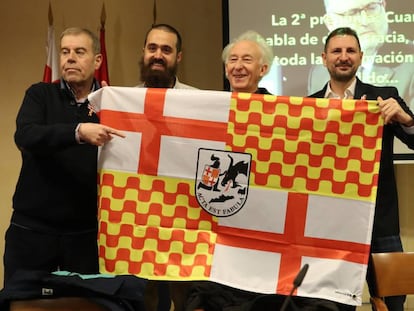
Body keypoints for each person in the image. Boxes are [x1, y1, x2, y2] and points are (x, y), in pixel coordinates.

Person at [3, 27, 125, 286]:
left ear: (98, 60)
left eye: (79, 52)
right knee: (21, 301)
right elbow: (26, 136)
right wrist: (78, 132)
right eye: (65, 51)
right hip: (32, 230)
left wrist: (116, 110)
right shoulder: (40, 94)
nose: (69, 58)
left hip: (84, 234)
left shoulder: (111, 105)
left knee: (84, 304)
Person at [309, 27, 414, 311]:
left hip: (381, 221)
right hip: (331, 228)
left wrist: (405, 118)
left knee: (393, 301)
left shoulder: (385, 98)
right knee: (333, 303)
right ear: (324, 58)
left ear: (361, 57)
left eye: (350, 51)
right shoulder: (308, 106)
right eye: (337, 51)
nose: (343, 57)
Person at [138, 23, 196, 311]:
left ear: (178, 57)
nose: (158, 55)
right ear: (143, 52)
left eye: (166, 50)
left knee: (185, 295)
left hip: (185, 216)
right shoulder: (124, 101)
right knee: (143, 295)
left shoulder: (198, 103)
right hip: (138, 215)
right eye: (152, 48)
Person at [308, 0, 414, 110]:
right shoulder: (317, 75)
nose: (365, 21)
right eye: (352, 13)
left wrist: (407, 121)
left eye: (371, 8)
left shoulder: (410, 64)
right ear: (330, 22)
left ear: (383, 6)